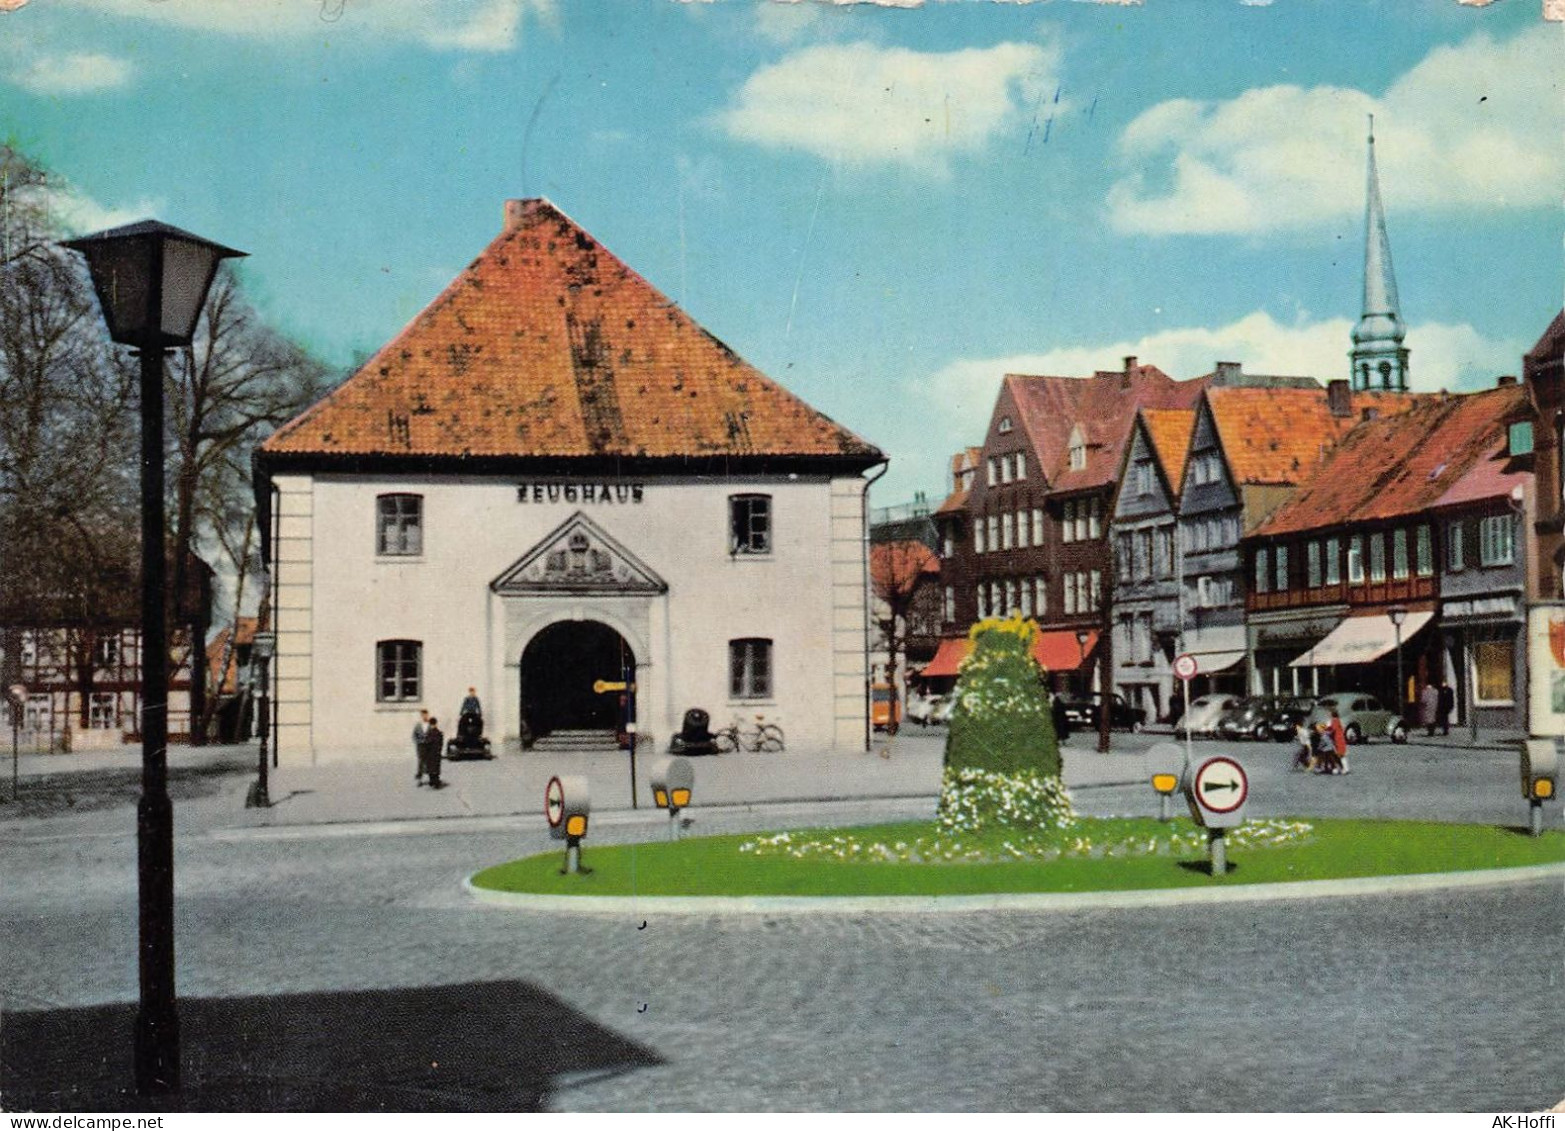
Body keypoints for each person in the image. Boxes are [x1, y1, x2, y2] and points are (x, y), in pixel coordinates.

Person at [422, 716, 444, 789]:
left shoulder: (431, 733)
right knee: (434, 767)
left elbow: (427, 743)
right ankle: (434, 781)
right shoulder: (437, 733)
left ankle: (434, 781)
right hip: (434, 753)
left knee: (433, 767)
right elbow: (440, 743)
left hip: (432, 753)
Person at [1327, 708, 1350, 775]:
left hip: (1338, 740)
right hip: (1340, 739)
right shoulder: (1338, 720)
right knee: (1341, 755)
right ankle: (1345, 768)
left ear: (1332, 714)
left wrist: (1327, 731)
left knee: (1340, 755)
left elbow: (1333, 729)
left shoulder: (1334, 720)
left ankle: (1344, 769)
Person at [412, 708, 430, 785]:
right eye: (423, 715)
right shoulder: (418, 725)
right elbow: (414, 735)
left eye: (425, 715)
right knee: (421, 761)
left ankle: (431, 778)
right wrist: (418, 742)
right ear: (421, 716)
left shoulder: (430, 725)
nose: (424, 717)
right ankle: (420, 779)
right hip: (420, 746)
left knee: (429, 761)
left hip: (428, 745)